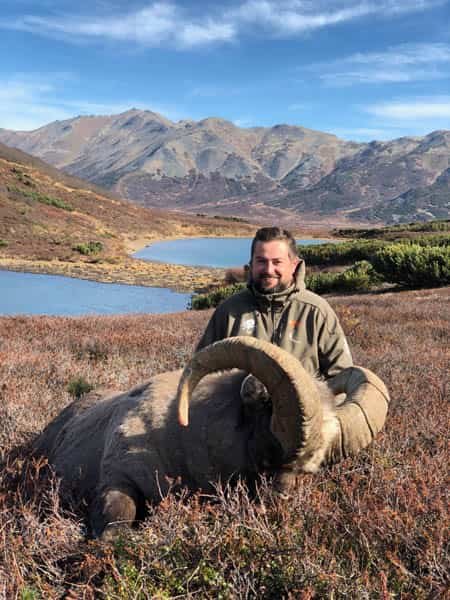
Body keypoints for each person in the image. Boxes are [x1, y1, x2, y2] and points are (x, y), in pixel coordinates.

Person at [196, 226, 353, 380]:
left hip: (300, 406)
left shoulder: (317, 311)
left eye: (277, 262)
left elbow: (342, 377)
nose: (269, 270)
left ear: (294, 265)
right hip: (238, 405)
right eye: (261, 261)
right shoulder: (228, 311)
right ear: (251, 264)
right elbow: (199, 372)